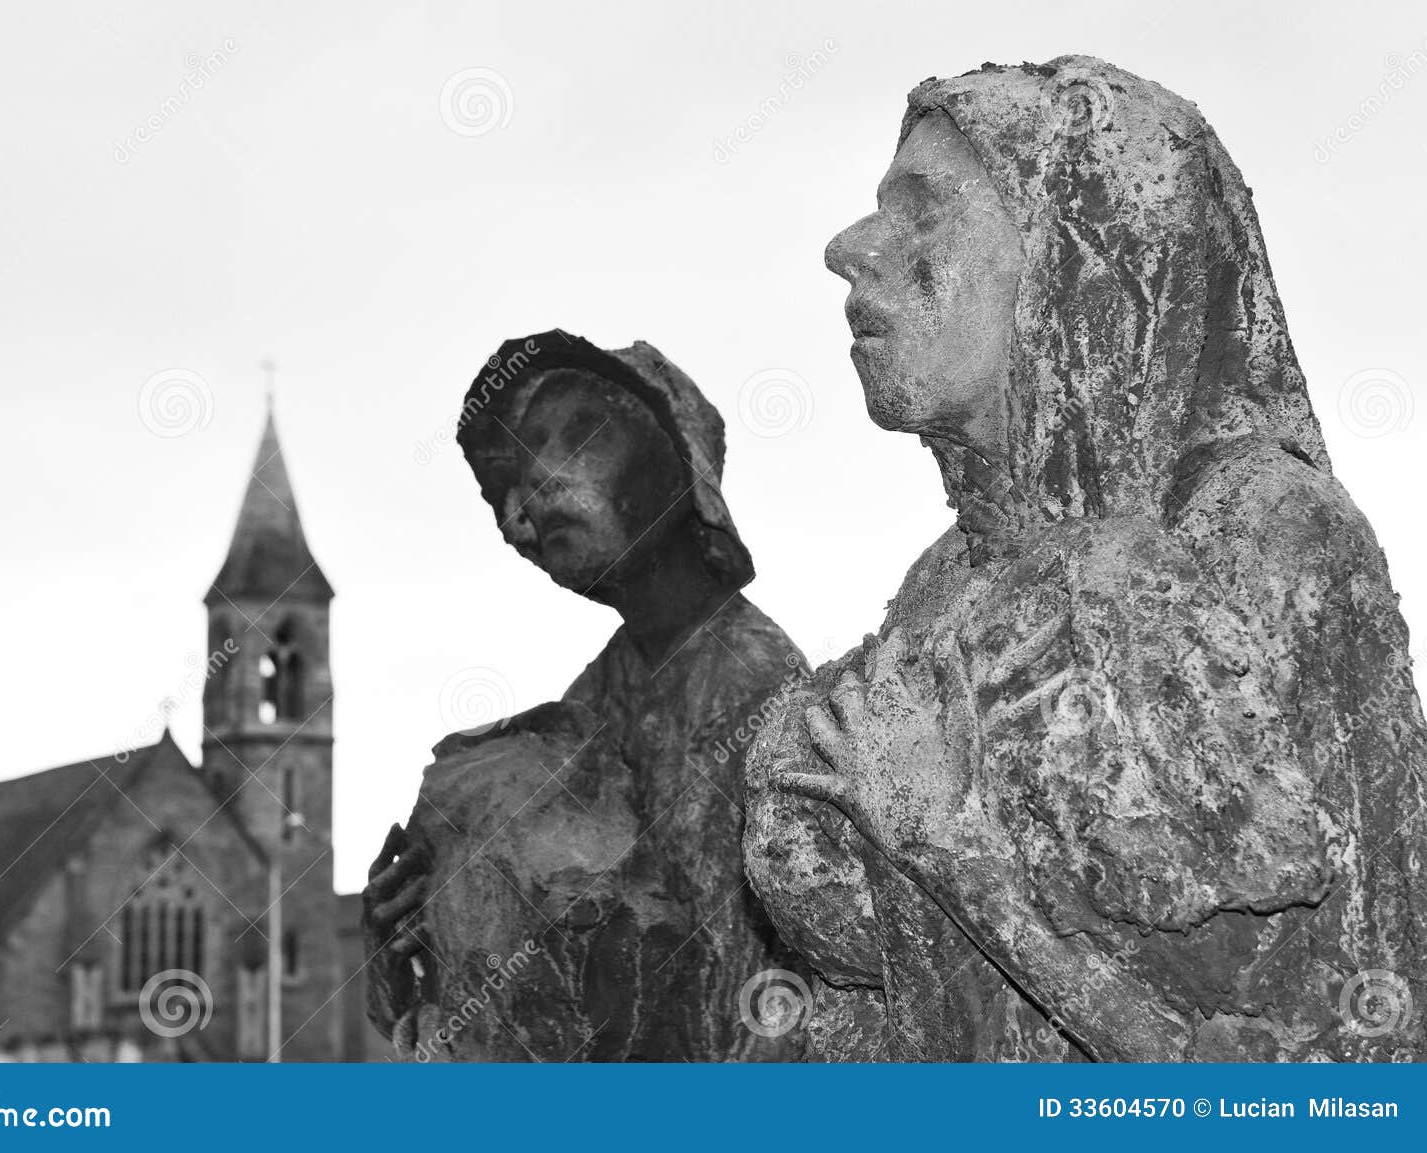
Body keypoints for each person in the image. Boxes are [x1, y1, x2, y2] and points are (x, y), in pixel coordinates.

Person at [743, 57, 1427, 1062]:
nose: (849, 248)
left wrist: (954, 849)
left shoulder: (1266, 530)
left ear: (1080, 253)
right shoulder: (941, 587)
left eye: (923, 210)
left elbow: (1356, 1059)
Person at [363, 331, 806, 1060]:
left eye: (572, 435)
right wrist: (414, 955)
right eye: (501, 491)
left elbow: (769, 1013)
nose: (520, 511)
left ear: (676, 448)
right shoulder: (591, 702)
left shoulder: (764, 692)